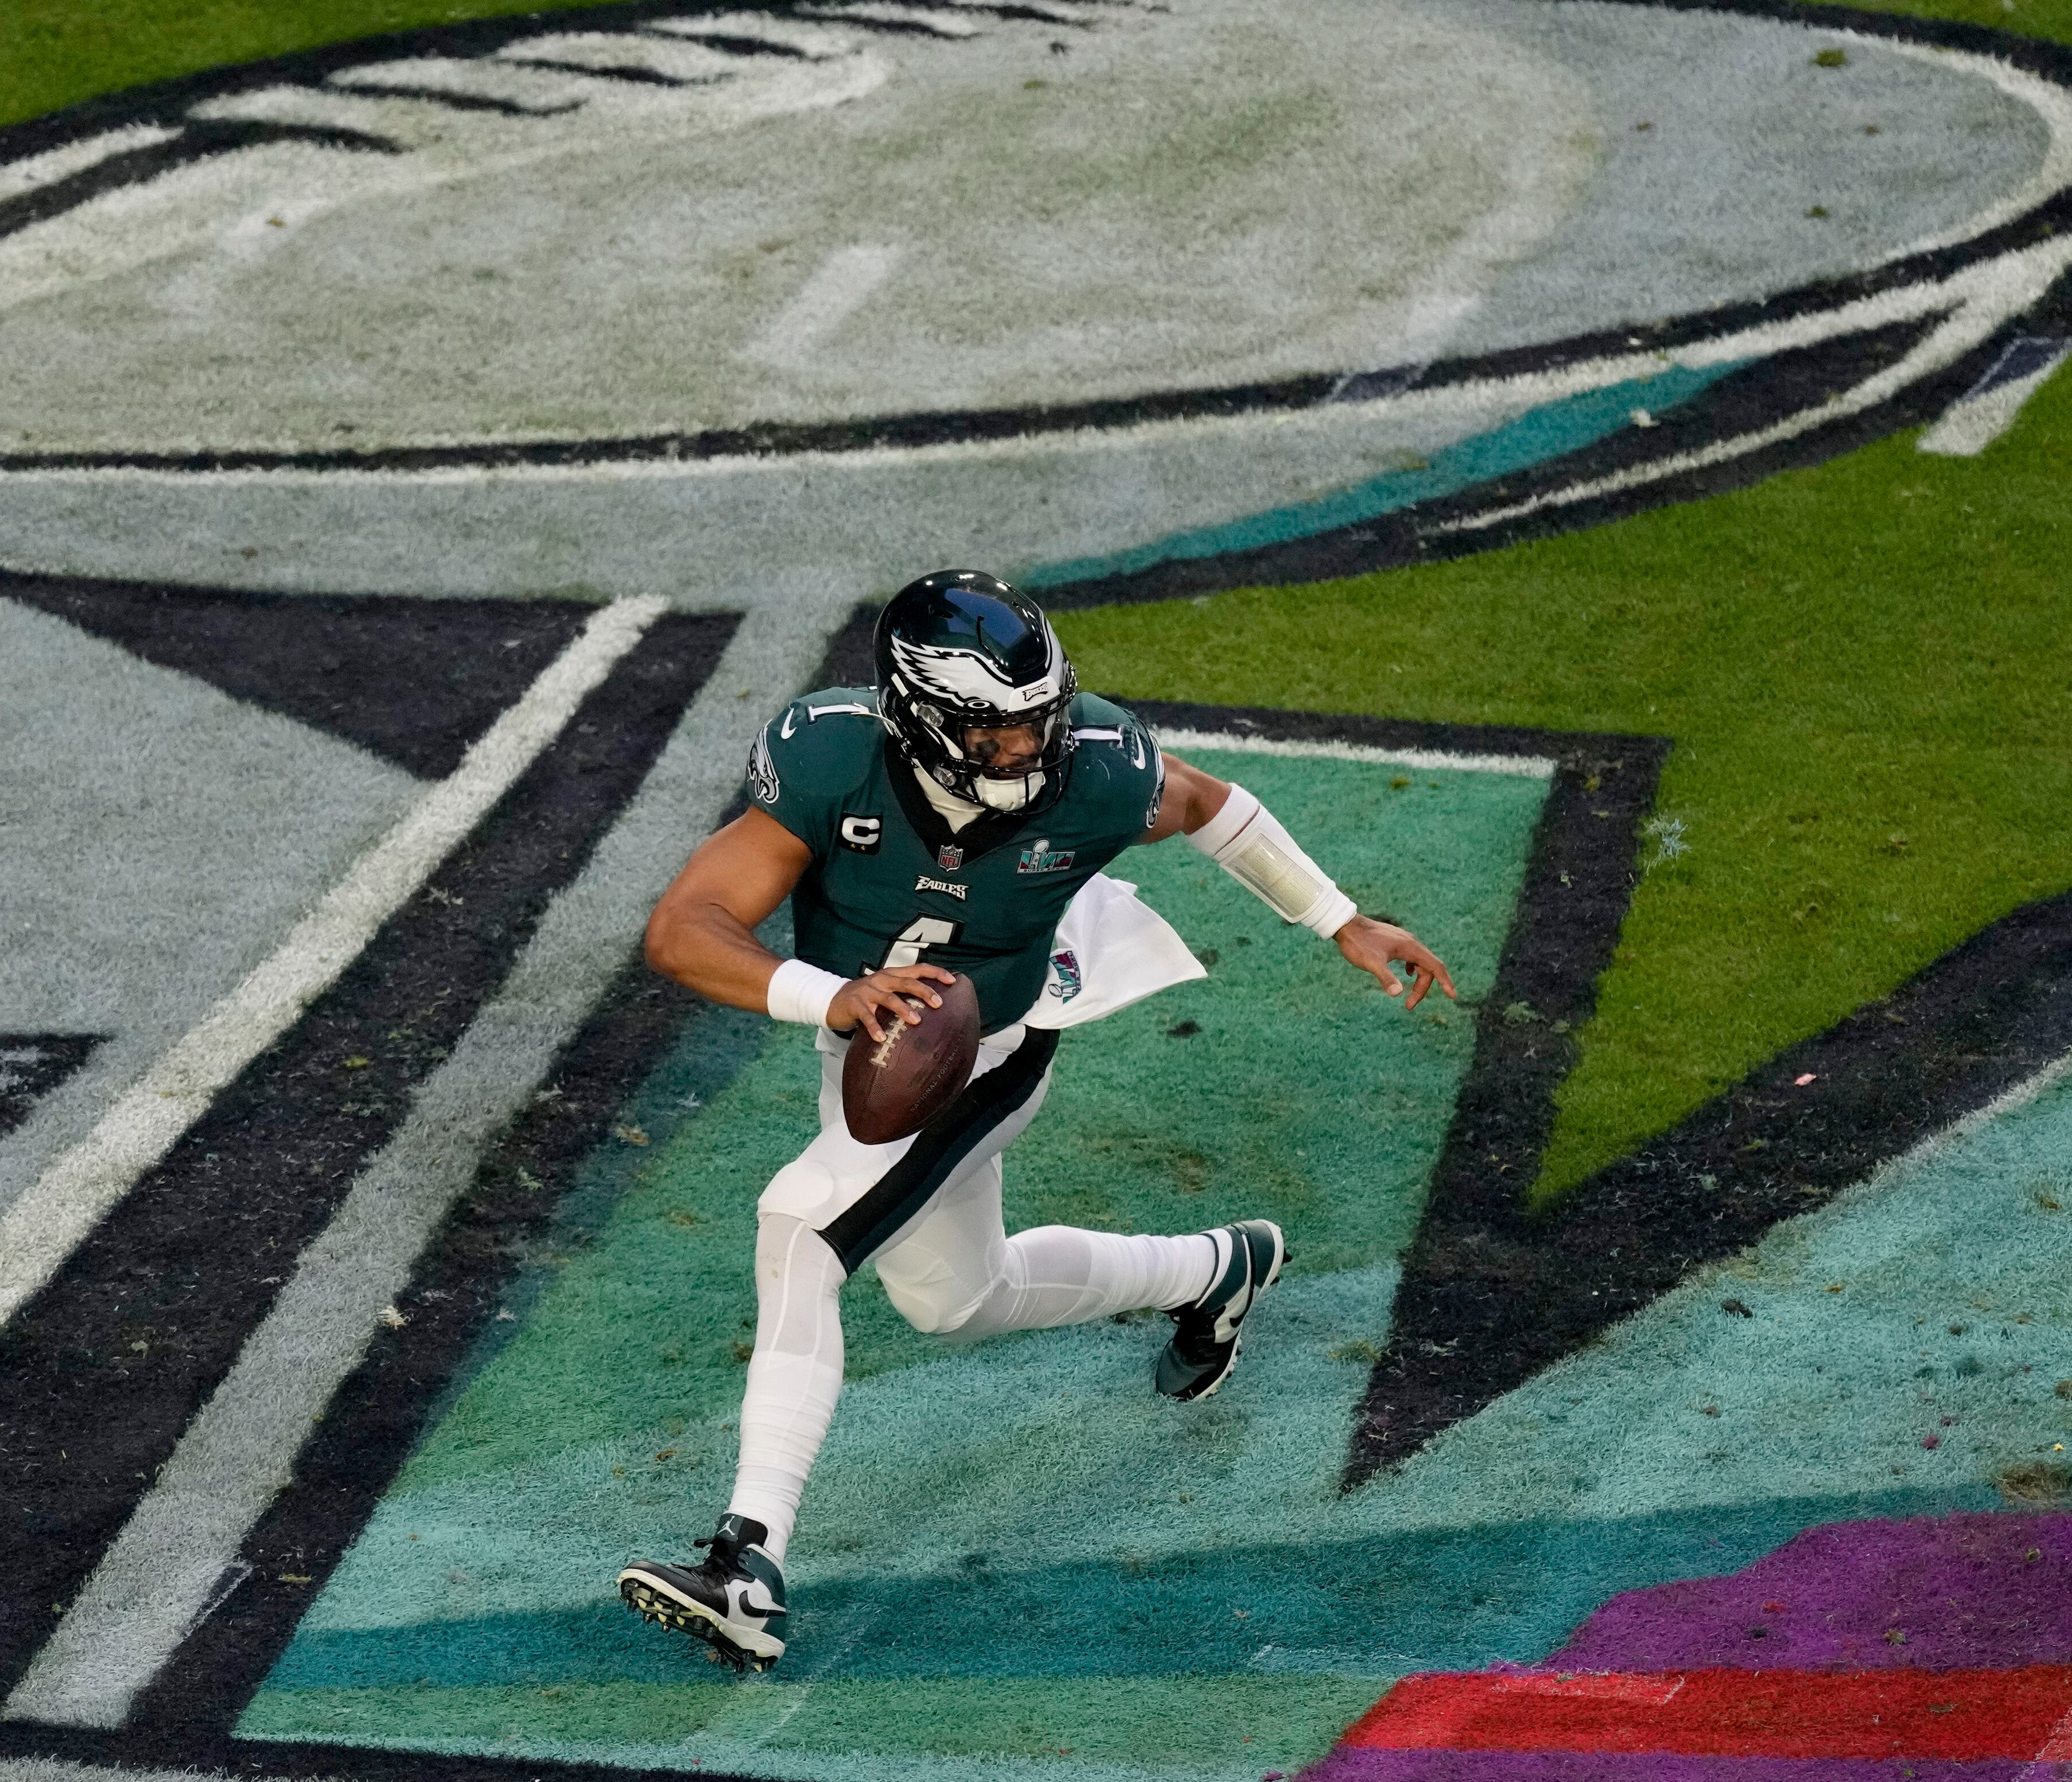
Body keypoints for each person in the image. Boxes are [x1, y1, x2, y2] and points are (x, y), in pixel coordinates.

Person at [615, 567, 1456, 1671]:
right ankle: (1213, 1268)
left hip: (994, 1050)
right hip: (873, 1042)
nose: (1027, 750)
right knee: (960, 1301)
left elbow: (1208, 805)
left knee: (802, 1230)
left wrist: (1340, 918)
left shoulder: (1095, 769)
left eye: (1038, 720)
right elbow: (685, 926)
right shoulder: (832, 755)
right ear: (917, 718)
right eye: (996, 730)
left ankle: (747, 1564)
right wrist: (836, 996)